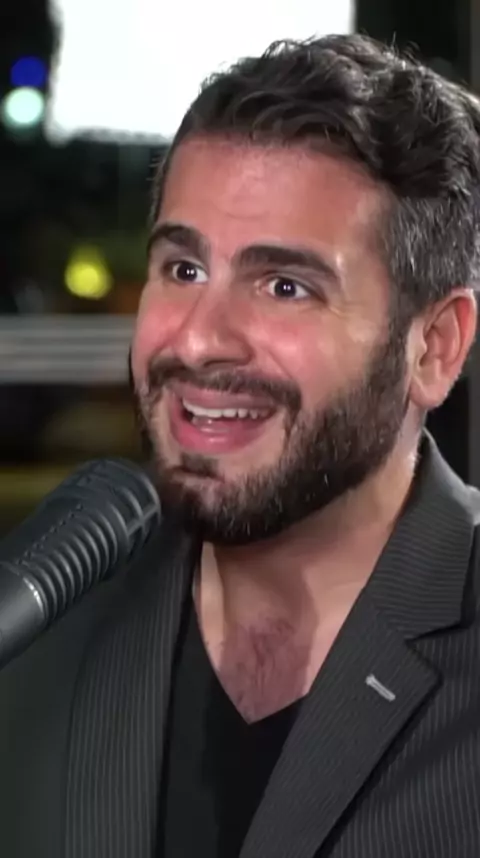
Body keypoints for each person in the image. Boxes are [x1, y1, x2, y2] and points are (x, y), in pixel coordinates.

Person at [1, 33, 480, 858]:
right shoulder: (46, 618)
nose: (197, 340)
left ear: (433, 348)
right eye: (183, 270)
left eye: (284, 286)